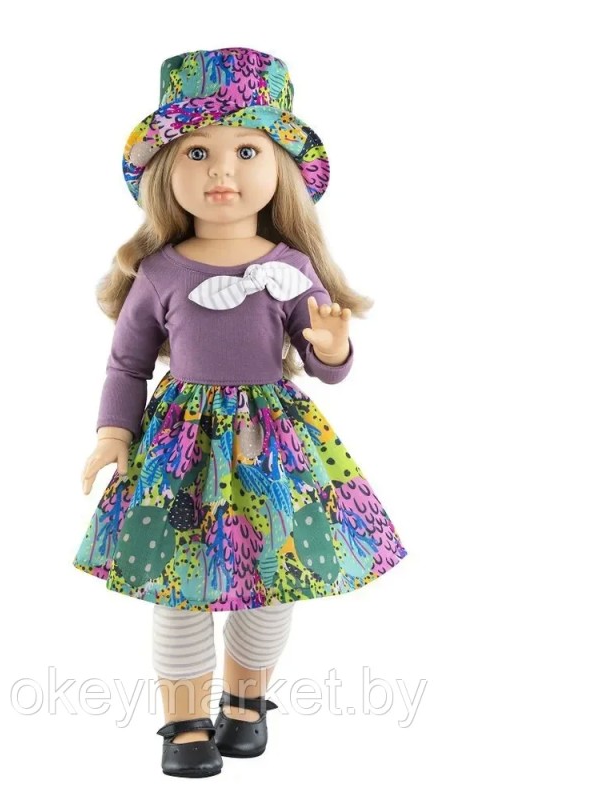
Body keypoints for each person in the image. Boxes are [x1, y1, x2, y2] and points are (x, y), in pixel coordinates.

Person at [72, 46, 409, 779]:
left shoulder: (290, 266)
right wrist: (113, 432)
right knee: (177, 585)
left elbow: (326, 364)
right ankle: (184, 722)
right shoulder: (158, 272)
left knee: (273, 576)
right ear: (167, 170)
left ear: (279, 168)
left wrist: (331, 348)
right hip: (179, 452)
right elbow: (127, 364)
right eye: (198, 152)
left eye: (246, 151)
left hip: (272, 447)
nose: (221, 171)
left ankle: (246, 706)